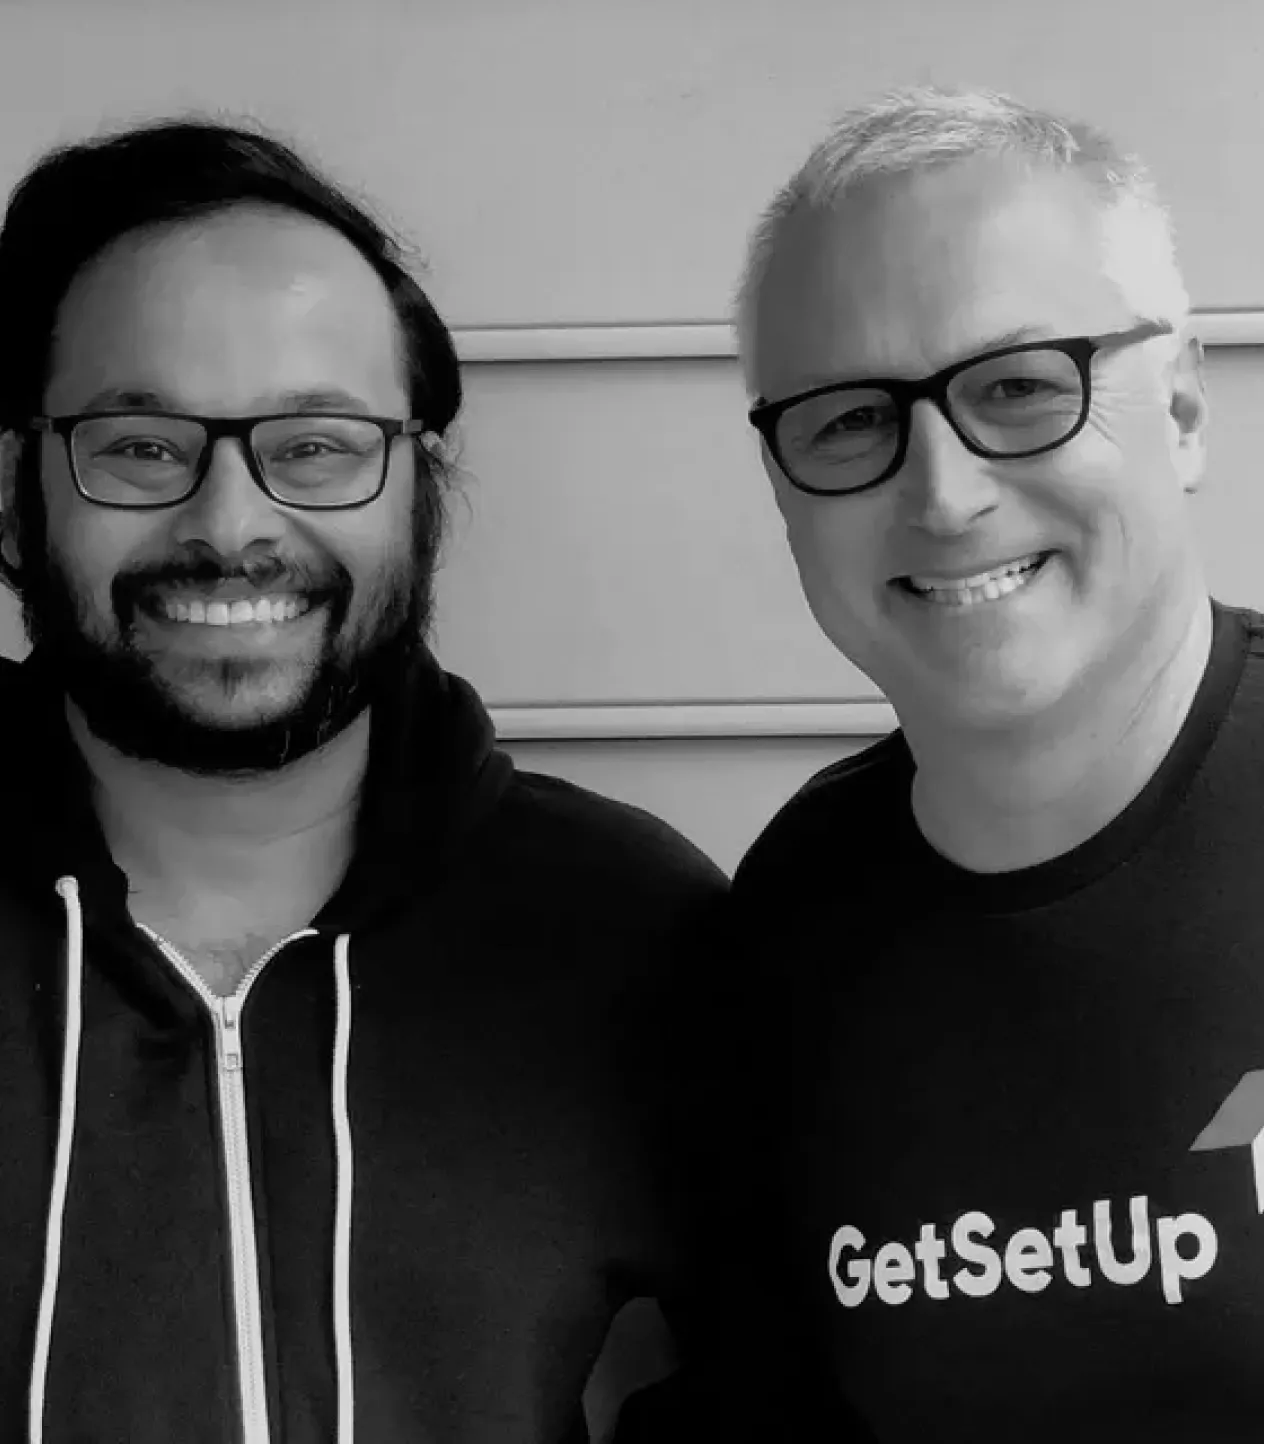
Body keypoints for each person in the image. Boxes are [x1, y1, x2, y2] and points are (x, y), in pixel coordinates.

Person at [0, 118, 724, 1442]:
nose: (229, 527)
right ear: (16, 490)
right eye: (141, 445)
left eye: (319, 446)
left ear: (420, 491)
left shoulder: (629, 931)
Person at [623, 85, 1264, 1441]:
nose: (946, 492)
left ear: (1187, 406)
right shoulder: (788, 928)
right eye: (851, 420)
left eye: (1021, 387)